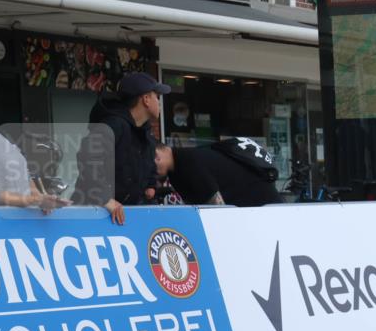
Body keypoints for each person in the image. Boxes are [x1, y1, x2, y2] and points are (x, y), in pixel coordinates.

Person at [73, 72, 166, 224]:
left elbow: (147, 168)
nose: (160, 102)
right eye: (157, 96)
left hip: (121, 219)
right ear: (146, 99)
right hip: (92, 215)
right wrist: (106, 199)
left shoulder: (145, 134)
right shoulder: (112, 125)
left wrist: (150, 185)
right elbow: (88, 159)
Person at [0, 76, 68, 211]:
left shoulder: (4, 139)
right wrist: (32, 200)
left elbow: (26, 177)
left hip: (20, 227)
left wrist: (42, 199)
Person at [154, 138, 283, 206]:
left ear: (157, 156)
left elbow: (218, 210)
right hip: (256, 208)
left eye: (150, 166)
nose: (152, 172)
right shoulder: (177, 171)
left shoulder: (187, 163)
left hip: (265, 207)